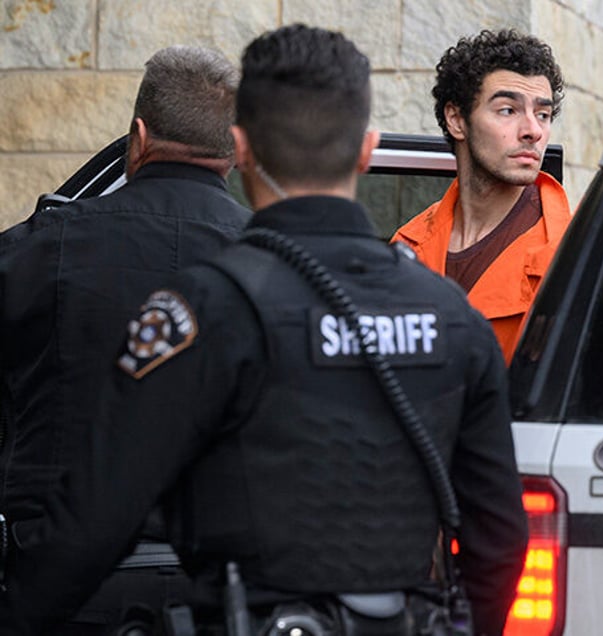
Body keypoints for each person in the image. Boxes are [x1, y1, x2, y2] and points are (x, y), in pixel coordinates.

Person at [0, 24, 529, 636]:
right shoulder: (452, 315)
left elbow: (92, 520)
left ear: (242, 149)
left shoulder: (204, 306)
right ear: (366, 150)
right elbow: (500, 538)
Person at [0, 45, 250, 632]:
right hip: (223, 594)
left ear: (138, 137)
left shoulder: (39, 248)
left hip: (55, 590)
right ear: (235, 150)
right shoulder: (277, 261)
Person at [392, 29, 572, 365]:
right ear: (457, 119)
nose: (533, 129)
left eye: (543, 114)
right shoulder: (407, 247)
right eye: (508, 110)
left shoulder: (572, 255)